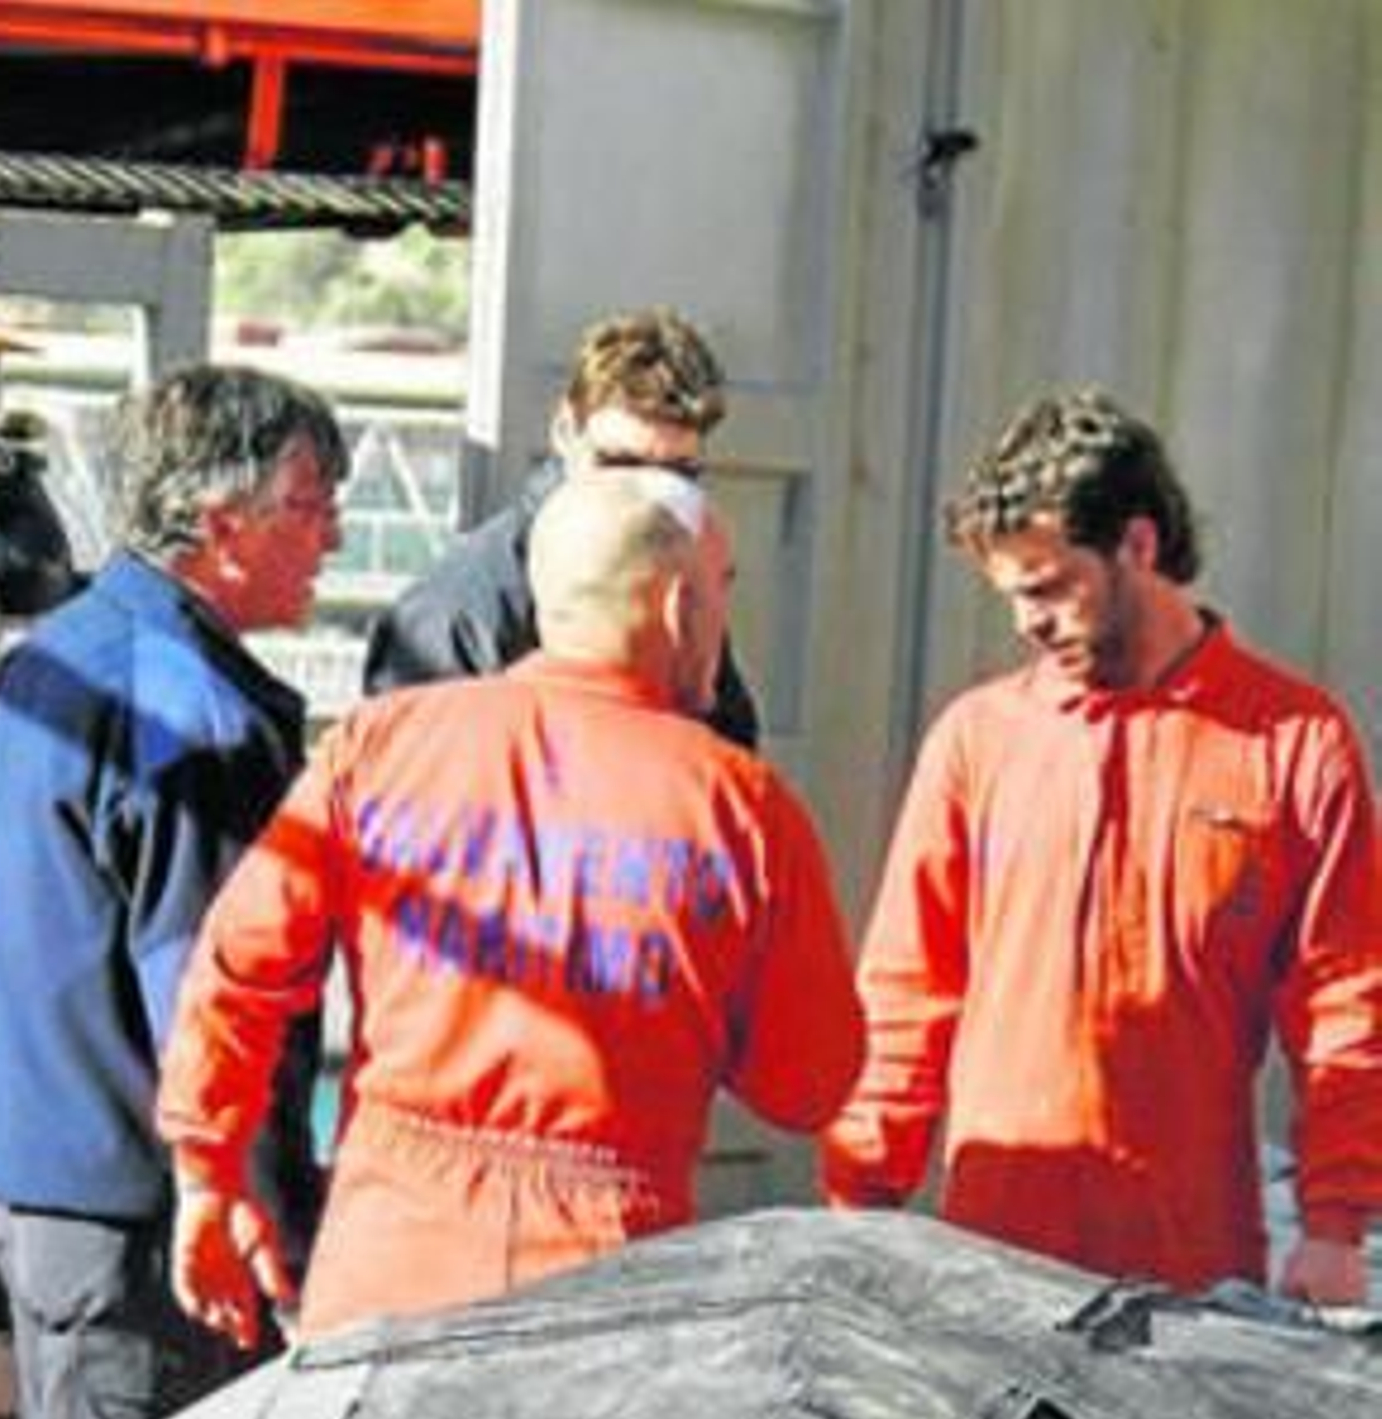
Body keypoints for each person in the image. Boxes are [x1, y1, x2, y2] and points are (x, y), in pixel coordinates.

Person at [157, 467, 862, 1344]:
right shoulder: (741, 807)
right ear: (681, 607)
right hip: (605, 1284)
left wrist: (206, 1174)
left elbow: (238, 971)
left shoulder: (380, 744)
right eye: (722, 590)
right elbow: (807, 1083)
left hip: (386, 1262)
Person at [821, 386, 1382, 1302]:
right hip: (996, 1263)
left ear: (1139, 544)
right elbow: (905, 992)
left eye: (1047, 588)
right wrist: (860, 1204)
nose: (1027, 623)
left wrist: (1336, 1229)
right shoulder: (978, 740)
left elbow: (1347, 1002)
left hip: (1191, 1269)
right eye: (1011, 596)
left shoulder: (1292, 741)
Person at [0, 363, 349, 1419]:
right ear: (222, 525)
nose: (332, 536)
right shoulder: (194, 714)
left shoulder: (57, 654)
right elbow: (213, 993)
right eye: (312, 504)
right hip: (152, 1222)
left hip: (53, 1191)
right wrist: (250, 1205)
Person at [362, 305, 762, 750]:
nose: (644, 495)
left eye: (675, 475)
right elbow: (410, 793)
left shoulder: (675, 581)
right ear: (565, 431)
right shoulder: (456, 612)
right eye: (620, 464)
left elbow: (725, 758)